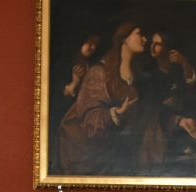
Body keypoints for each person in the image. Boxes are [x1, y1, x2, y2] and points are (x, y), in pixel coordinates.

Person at [57, 23, 165, 175]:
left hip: (126, 153)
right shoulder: (100, 72)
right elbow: (87, 117)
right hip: (94, 154)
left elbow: (149, 114)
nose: (145, 39)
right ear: (124, 39)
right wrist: (115, 113)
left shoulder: (140, 76)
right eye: (139, 34)